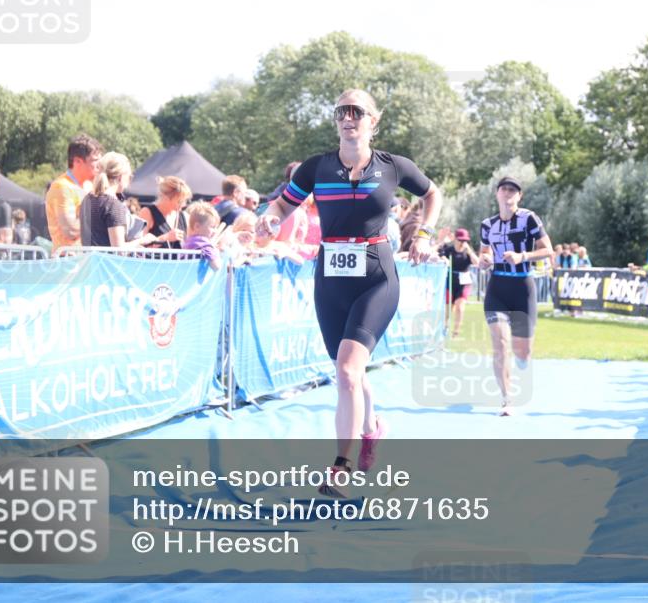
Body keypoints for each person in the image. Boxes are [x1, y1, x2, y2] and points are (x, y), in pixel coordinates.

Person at [259, 88, 442, 494]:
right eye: (342, 110)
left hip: (377, 277)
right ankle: (373, 428)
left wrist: (425, 235)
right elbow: (281, 206)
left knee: (346, 370)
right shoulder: (316, 168)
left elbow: (432, 194)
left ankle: (340, 468)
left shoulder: (393, 166)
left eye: (357, 111)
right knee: (350, 372)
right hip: (331, 278)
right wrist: (271, 221)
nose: (348, 117)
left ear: (373, 121)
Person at [478, 176, 554, 416]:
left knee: (523, 352)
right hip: (497, 288)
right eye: (504, 189)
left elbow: (547, 250)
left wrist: (523, 257)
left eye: (513, 190)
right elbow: (484, 255)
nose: (508, 193)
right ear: (497, 194)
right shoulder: (487, 225)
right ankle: (506, 399)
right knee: (500, 344)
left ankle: (523, 359)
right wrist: (484, 261)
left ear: (519, 196)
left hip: (523, 287)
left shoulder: (529, 219)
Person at [79, 153, 159, 248]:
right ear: (120, 177)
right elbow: (119, 249)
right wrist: (142, 240)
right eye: (129, 177)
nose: (129, 181)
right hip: (108, 262)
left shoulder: (87, 199)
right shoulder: (113, 205)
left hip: (90, 261)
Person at [46, 134, 103, 253]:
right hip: (67, 262)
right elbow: (70, 231)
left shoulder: (89, 186)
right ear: (77, 161)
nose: (99, 165)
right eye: (94, 160)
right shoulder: (61, 187)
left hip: (86, 261)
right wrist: (99, 215)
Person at [440, 228, 479, 338]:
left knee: (460, 307)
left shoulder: (468, 252)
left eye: (465, 241)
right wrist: (444, 259)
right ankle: (445, 328)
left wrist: (470, 251)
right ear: (455, 239)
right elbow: (441, 254)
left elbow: (477, 262)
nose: (462, 243)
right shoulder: (449, 250)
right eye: (460, 240)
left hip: (464, 282)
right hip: (450, 280)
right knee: (448, 308)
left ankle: (456, 332)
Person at [139, 176, 191, 249]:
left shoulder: (184, 216)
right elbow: (138, 247)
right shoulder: (147, 213)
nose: (183, 205)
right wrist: (164, 238)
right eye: (179, 201)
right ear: (166, 198)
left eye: (185, 201)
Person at [183, 201, 225, 271]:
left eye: (216, 227)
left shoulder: (189, 241)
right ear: (197, 226)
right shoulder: (204, 245)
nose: (215, 231)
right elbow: (217, 267)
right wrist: (216, 251)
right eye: (212, 227)